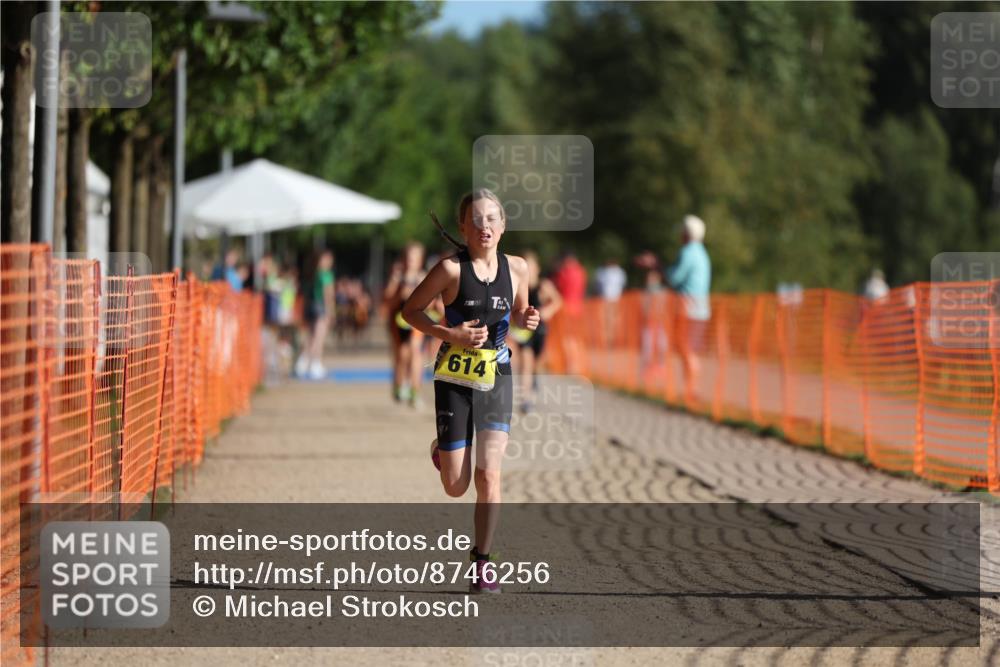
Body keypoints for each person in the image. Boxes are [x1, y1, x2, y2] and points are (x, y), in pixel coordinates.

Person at [402, 189, 539, 594]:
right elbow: (410, 310)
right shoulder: (449, 270)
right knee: (455, 485)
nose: (485, 227)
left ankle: (482, 563)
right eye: (476, 220)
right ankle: (441, 452)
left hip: (497, 374)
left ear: (503, 225)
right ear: (463, 227)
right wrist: (449, 333)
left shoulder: (517, 269)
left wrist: (527, 317)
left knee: (489, 475)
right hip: (454, 379)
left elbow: (517, 312)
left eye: (492, 219)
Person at [665, 214, 711, 405]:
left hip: (688, 309)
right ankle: (692, 389)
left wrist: (660, 268)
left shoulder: (688, 252)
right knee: (690, 350)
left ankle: (691, 391)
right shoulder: (702, 252)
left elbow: (674, 278)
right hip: (700, 309)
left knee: (686, 349)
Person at [510, 251, 562, 413]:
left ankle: (535, 379)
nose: (528, 271)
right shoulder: (517, 285)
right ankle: (526, 399)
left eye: (531, 267)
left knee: (537, 363)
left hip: (540, 329)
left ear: (537, 269)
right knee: (525, 361)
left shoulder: (543, 285)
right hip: (524, 331)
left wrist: (547, 310)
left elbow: (557, 301)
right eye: (525, 267)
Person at [384, 242, 428, 407]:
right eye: (409, 257)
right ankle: (398, 385)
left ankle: (414, 391)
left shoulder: (423, 277)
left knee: (416, 352)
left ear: (420, 260)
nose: (411, 261)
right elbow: (387, 300)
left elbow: (430, 302)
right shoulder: (397, 277)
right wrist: (399, 295)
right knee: (401, 354)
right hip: (398, 321)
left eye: (415, 258)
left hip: (416, 320)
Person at [296, 249, 335, 380]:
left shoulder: (313, 273)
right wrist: (330, 311)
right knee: (319, 337)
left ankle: (302, 363)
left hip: (310, 306)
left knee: (310, 336)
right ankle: (315, 364)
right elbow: (328, 294)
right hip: (321, 307)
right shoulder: (326, 274)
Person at [551, 251, 586, 374]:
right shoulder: (581, 271)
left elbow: (558, 287)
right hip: (578, 308)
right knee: (575, 338)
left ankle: (570, 366)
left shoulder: (564, 272)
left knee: (566, 338)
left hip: (565, 308)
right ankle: (575, 365)